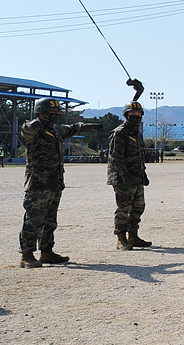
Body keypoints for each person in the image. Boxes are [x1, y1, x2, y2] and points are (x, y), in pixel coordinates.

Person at [17, 98, 90, 267]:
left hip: (55, 182)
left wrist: (89, 126)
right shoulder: (34, 130)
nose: (56, 116)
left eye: (57, 113)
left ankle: (46, 251)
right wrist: (37, 122)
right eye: (52, 114)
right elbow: (26, 130)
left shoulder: (55, 130)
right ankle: (26, 255)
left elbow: (71, 129)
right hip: (38, 184)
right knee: (33, 220)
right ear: (41, 113)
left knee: (50, 220)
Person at [107, 102, 152, 250]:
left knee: (138, 207)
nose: (136, 117)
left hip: (136, 176)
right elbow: (116, 157)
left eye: (139, 115)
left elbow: (139, 156)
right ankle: (121, 238)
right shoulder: (119, 133)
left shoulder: (136, 133)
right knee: (124, 208)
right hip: (123, 178)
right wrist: (124, 175)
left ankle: (133, 236)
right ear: (126, 115)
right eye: (132, 115)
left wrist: (143, 174)